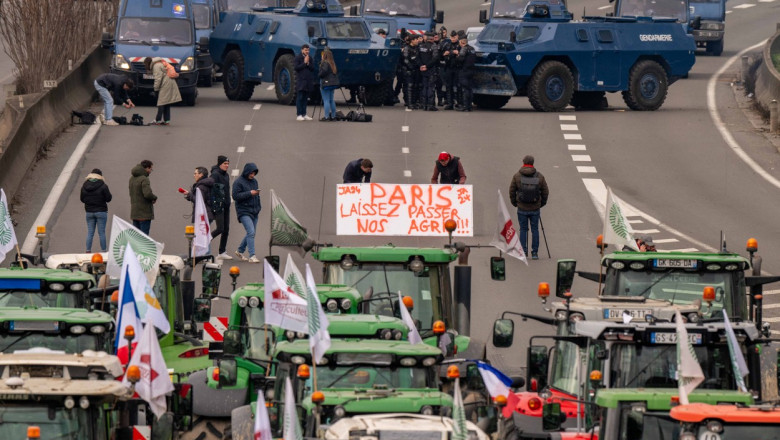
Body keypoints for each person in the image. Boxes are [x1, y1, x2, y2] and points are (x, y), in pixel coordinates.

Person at [509, 155, 549, 260]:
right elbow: (545, 192)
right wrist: (541, 204)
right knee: (535, 229)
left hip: (522, 208)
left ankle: (523, 251)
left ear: (523, 162)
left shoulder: (517, 176)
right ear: (533, 163)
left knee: (523, 229)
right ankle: (534, 253)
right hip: (535, 208)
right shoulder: (539, 176)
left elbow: (512, 191)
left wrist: (515, 203)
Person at [233, 163, 261, 263]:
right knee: (251, 232)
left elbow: (256, 195)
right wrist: (250, 193)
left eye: (254, 173)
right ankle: (252, 255)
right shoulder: (238, 182)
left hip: (254, 211)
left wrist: (258, 207)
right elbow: (235, 196)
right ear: (246, 171)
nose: (252, 175)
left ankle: (240, 250)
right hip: (243, 211)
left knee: (251, 232)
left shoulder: (254, 181)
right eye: (251, 173)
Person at [80, 168, 112, 252]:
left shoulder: (84, 186)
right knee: (101, 233)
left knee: (90, 232)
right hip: (101, 211)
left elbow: (82, 199)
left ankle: (88, 251)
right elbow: (109, 198)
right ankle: (103, 251)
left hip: (89, 212)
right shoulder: (103, 186)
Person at [143, 57, 181, 125]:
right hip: (169, 82)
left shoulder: (156, 66)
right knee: (167, 102)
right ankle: (167, 121)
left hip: (165, 83)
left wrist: (156, 89)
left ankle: (158, 120)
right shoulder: (159, 63)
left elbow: (158, 79)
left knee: (161, 102)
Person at [210, 156, 232, 260]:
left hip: (226, 205)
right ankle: (204, 241)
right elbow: (212, 189)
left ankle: (222, 252)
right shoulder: (215, 174)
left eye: (228, 164)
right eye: (225, 164)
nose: (227, 165)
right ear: (220, 164)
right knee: (220, 228)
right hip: (218, 205)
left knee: (226, 229)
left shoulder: (226, 175)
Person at [129, 160, 158, 235]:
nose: (151, 171)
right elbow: (147, 194)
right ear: (147, 168)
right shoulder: (144, 179)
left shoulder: (131, 179)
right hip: (144, 213)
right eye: (151, 169)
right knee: (144, 238)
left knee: (136, 237)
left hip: (135, 213)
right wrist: (154, 198)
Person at [455, 31, 476, 112]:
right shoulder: (472, 49)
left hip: (464, 71)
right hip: (471, 71)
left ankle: (465, 106)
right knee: (470, 89)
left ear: (462, 42)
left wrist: (457, 55)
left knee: (465, 89)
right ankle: (469, 106)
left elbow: (460, 59)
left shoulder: (464, 49)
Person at [418, 32, 440, 111]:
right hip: (431, 70)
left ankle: (424, 105)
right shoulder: (434, 46)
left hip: (423, 70)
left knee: (424, 87)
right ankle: (430, 105)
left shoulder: (421, 46)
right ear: (432, 38)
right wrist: (427, 66)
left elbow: (418, 57)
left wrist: (421, 65)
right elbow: (435, 59)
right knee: (431, 87)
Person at [294, 44, 315, 121]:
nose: (307, 51)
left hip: (308, 81)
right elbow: (296, 68)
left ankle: (304, 114)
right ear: (302, 50)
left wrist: (308, 63)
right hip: (301, 81)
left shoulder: (310, 58)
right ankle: (299, 114)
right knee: (300, 98)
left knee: (305, 98)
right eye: (306, 50)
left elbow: (313, 68)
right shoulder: (298, 57)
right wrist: (304, 63)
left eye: (308, 50)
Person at [439, 30, 460, 110]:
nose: (452, 39)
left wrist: (457, 53)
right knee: (449, 86)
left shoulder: (459, 45)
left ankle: (458, 103)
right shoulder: (447, 45)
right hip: (448, 68)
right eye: (451, 37)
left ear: (457, 37)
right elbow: (440, 56)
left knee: (458, 86)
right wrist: (444, 54)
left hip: (457, 68)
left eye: (454, 37)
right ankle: (450, 103)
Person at [318, 48, 340, 122]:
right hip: (332, 83)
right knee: (331, 100)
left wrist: (319, 73)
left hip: (325, 83)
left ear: (325, 55)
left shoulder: (325, 63)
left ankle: (326, 116)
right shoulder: (333, 63)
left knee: (326, 100)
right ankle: (333, 116)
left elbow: (323, 72)